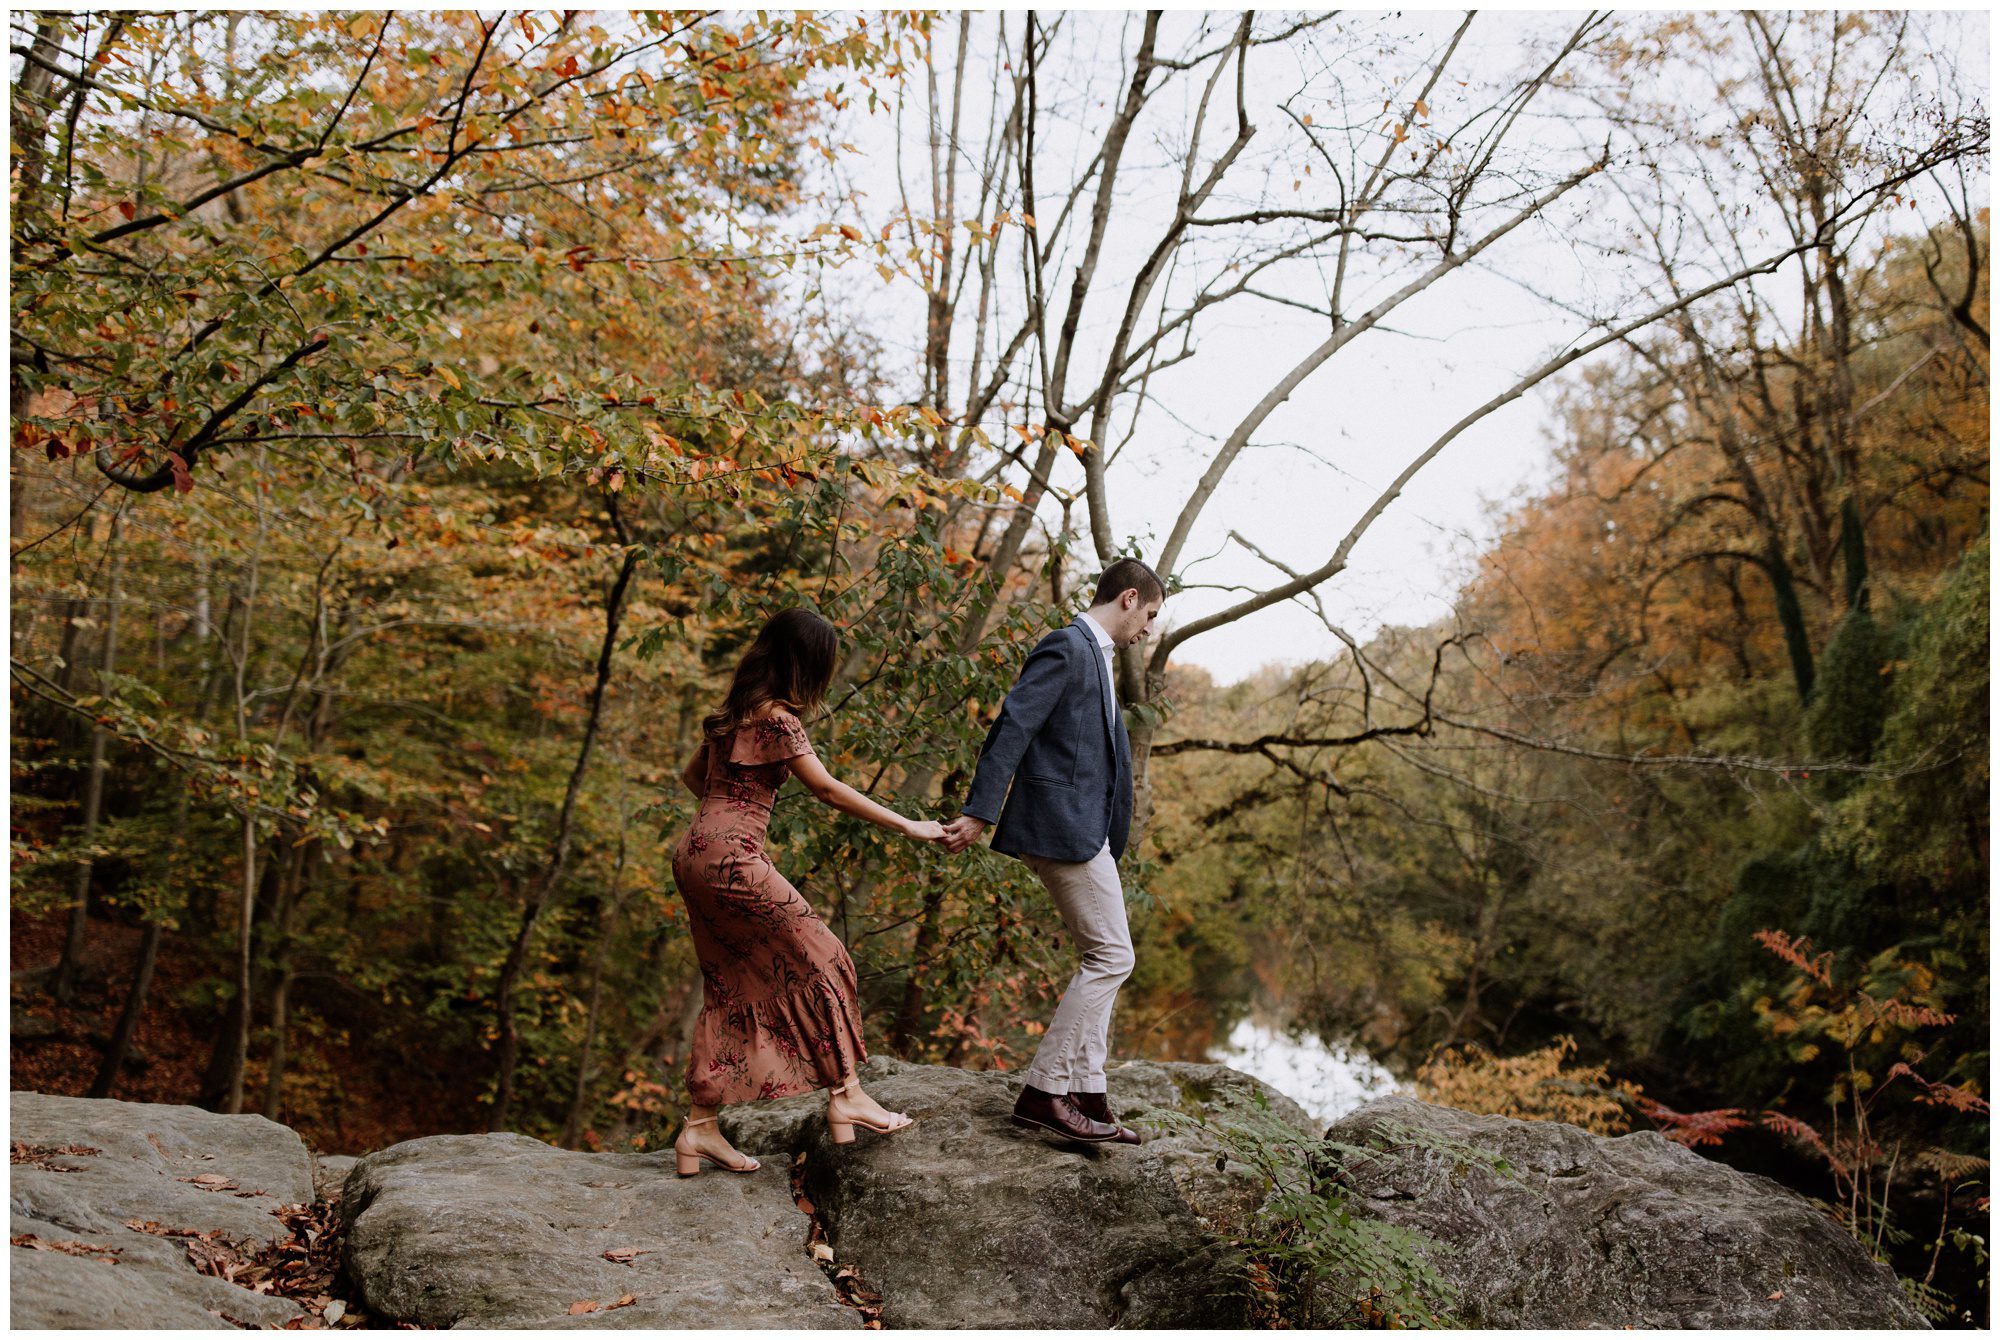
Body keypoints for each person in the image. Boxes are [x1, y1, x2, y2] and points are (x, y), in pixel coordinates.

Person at [669, 607, 939, 1175]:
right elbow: (827, 790)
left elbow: (695, 780)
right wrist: (909, 824)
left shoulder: (734, 714)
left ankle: (699, 1128)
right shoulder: (778, 720)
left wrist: (728, 821)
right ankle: (847, 1095)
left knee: (732, 984)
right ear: (807, 663)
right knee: (825, 958)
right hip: (731, 859)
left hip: (695, 855)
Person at [941, 558, 1166, 1145]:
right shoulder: (1067, 646)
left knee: (1107, 955)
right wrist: (978, 810)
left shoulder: (1099, 656)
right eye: (1151, 615)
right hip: (1062, 828)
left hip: (1086, 831)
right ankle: (1044, 1093)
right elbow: (1012, 726)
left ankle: (1088, 1093)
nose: (1149, 630)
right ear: (1129, 599)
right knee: (1113, 957)